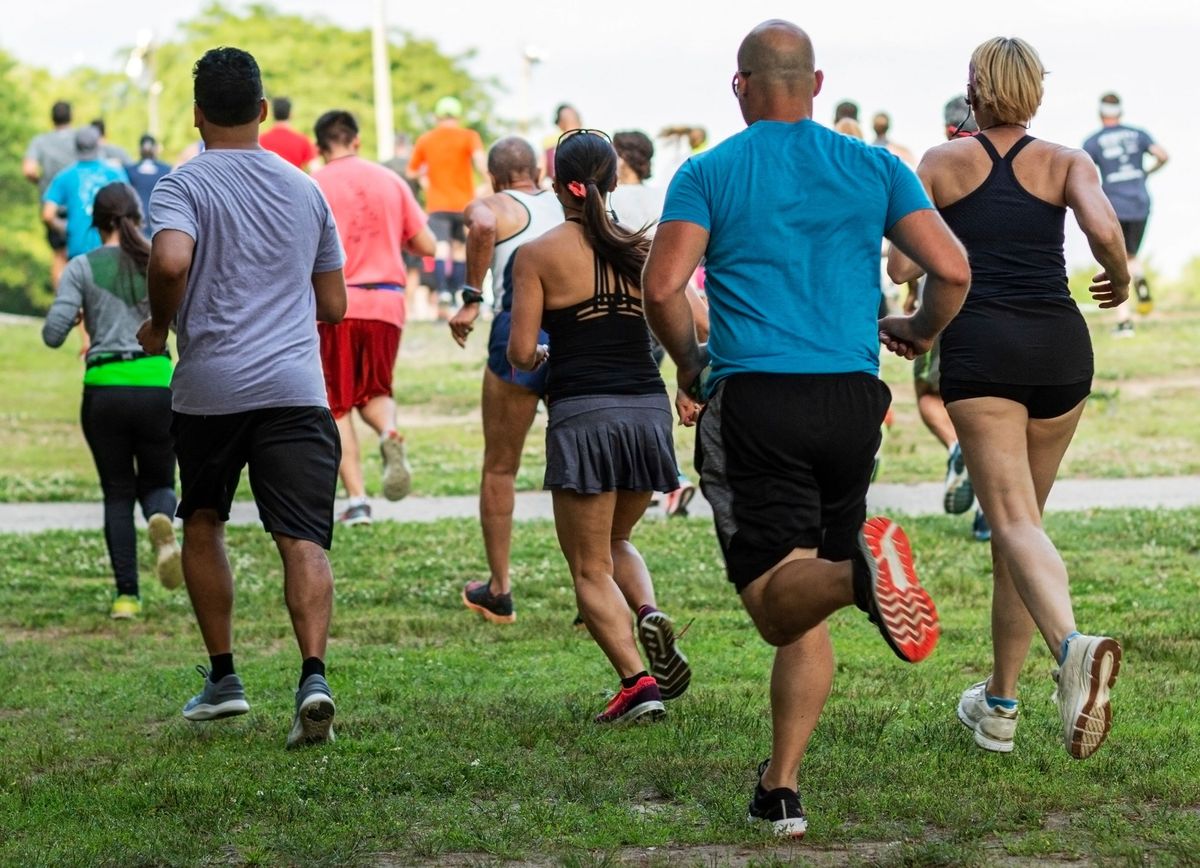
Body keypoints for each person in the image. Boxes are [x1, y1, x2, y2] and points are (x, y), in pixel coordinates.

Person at [644, 20, 969, 837]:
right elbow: (954, 268)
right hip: (852, 401)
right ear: (817, 85)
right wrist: (921, 330)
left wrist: (689, 362)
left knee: (775, 605)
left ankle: (861, 573)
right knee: (806, 586)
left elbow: (663, 288)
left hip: (758, 398)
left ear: (739, 86)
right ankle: (780, 788)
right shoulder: (874, 165)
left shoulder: (708, 171)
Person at [888, 37, 1129, 760]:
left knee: (1014, 524)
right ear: (1036, 92)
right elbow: (1104, 230)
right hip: (1060, 349)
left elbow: (903, 260)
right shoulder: (1067, 160)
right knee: (1021, 537)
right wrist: (1117, 275)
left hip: (983, 349)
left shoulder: (940, 162)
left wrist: (913, 292)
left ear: (973, 89)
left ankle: (1073, 651)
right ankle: (998, 707)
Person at [137, 47, 348, 748]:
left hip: (210, 391)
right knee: (303, 538)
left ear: (198, 114)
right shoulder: (306, 190)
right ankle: (313, 675)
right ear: (262, 110)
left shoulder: (181, 186)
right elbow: (336, 305)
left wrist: (161, 324)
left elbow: (169, 259)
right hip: (295, 389)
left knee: (203, 521)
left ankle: (225, 678)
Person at [508, 129, 690, 723]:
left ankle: (637, 683)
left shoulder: (536, 256)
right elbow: (695, 322)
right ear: (612, 181)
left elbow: (519, 352)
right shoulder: (643, 250)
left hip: (584, 414)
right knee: (615, 541)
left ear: (557, 184)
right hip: (646, 410)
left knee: (588, 567)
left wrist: (541, 359)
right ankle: (647, 613)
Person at [42, 182, 182, 619]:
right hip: (157, 384)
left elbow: (52, 334)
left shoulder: (81, 267)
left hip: (104, 390)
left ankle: (127, 597)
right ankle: (162, 521)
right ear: (137, 218)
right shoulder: (157, 264)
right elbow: (183, 324)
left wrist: (80, 313)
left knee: (117, 494)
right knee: (160, 482)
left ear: (95, 223)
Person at [448, 137, 562, 625]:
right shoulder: (566, 199)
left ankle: (499, 589)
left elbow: (484, 223)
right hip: (575, 334)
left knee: (501, 467)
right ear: (535, 171)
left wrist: (472, 295)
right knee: (579, 466)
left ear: (495, 178)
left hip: (519, 330)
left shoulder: (497, 203)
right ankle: (595, 586)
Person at [312, 110, 437, 525]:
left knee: (337, 403)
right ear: (356, 140)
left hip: (336, 304)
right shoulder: (391, 181)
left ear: (320, 146)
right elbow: (427, 245)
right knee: (376, 389)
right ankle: (388, 432)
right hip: (388, 302)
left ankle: (358, 502)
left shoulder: (313, 184)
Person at [903, 94, 990, 542]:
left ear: (946, 128)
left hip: (941, 304)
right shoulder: (1019, 164)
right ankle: (989, 515)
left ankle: (958, 448)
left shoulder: (936, 166)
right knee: (996, 416)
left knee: (928, 395)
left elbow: (903, 263)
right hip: (999, 310)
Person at [611, 129, 703, 518]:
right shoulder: (661, 197)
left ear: (624, 159)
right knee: (643, 394)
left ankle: (670, 480)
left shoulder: (614, 200)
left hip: (627, 311)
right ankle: (652, 482)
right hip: (661, 313)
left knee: (626, 400)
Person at [1082, 92, 1168, 336]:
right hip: (1140, 201)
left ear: (1100, 113)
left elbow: (1084, 174)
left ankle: (1124, 321)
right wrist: (1147, 173)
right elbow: (1163, 155)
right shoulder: (1138, 134)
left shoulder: (1093, 142)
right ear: (1120, 111)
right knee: (1131, 254)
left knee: (1115, 259)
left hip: (1114, 204)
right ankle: (1139, 278)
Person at [407, 97, 486, 312]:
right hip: (464, 204)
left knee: (441, 249)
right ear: (458, 116)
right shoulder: (469, 136)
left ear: (437, 117)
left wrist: (424, 175)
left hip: (437, 204)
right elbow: (480, 162)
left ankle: (441, 291)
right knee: (460, 250)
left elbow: (411, 171)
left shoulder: (426, 139)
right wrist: (489, 183)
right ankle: (456, 294)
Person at [42, 127, 130, 263]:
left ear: (76, 147)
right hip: (110, 250)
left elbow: (48, 214)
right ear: (98, 145)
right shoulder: (115, 173)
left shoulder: (65, 176)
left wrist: (65, 227)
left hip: (78, 252)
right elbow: (129, 210)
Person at [23, 100, 76, 287]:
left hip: (51, 207)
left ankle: (62, 304)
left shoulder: (40, 141)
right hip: (77, 206)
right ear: (71, 116)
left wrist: (41, 183)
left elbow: (29, 169)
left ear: (52, 118)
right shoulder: (78, 139)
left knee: (58, 255)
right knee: (80, 255)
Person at [123, 134, 172, 237]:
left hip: (136, 223)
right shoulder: (166, 170)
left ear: (139, 149)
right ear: (155, 149)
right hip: (159, 222)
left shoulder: (128, 170)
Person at [260, 97, 320, 172]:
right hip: (294, 182)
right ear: (291, 114)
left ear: (272, 114)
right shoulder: (302, 140)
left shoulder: (260, 140)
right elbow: (315, 168)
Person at [542, 103, 582, 181]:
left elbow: (539, 177)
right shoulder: (598, 144)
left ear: (560, 124)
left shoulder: (550, 151)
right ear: (580, 121)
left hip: (558, 192)